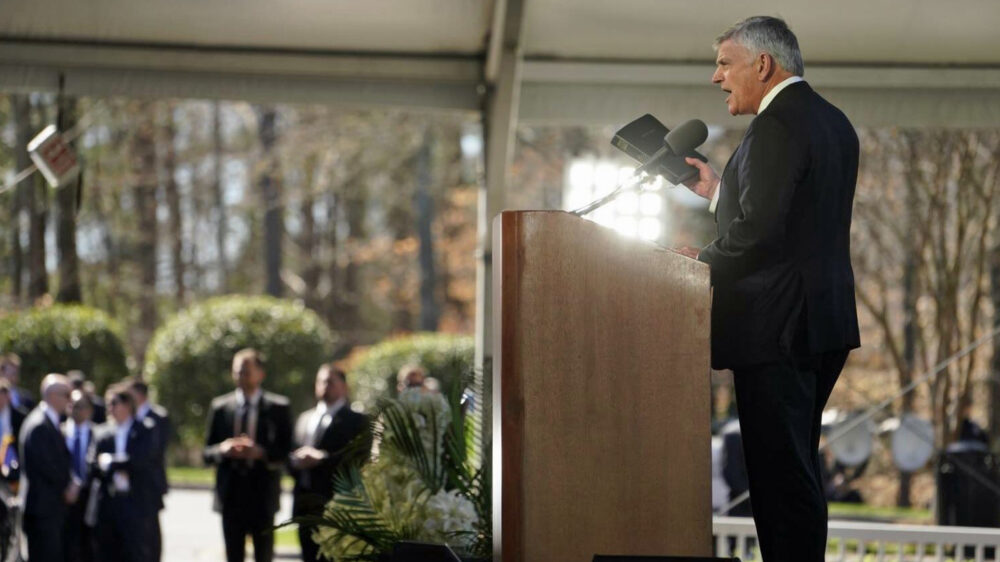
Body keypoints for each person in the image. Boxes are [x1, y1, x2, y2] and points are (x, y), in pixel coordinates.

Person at [677, 16, 860, 562]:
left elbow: (759, 232)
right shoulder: (832, 121)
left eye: (725, 63)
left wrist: (698, 266)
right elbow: (789, 221)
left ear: (763, 64)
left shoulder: (777, 125)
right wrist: (716, 192)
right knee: (797, 473)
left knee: (781, 483)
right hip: (819, 322)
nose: (717, 77)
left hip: (776, 329)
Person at [204, 348, 292, 562]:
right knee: (233, 555)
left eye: (245, 371)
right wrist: (223, 450)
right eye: (237, 371)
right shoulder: (220, 407)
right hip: (231, 495)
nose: (240, 376)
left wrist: (261, 452)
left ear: (260, 374)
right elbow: (206, 453)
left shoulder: (278, 408)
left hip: (262, 495)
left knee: (264, 554)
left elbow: (286, 451)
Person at [289, 364, 369, 562]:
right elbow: (289, 455)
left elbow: (357, 460)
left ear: (344, 387)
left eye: (330, 382)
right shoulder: (304, 418)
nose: (324, 386)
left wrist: (322, 458)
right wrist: (295, 462)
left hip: (335, 506)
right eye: (320, 381)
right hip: (305, 505)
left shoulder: (357, 421)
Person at [88, 384, 157, 562]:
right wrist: (119, 465)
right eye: (108, 404)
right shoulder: (101, 432)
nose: (110, 408)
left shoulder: (144, 429)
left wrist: (111, 462)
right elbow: (93, 464)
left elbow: (142, 461)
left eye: (114, 403)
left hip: (135, 502)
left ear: (128, 405)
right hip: (109, 503)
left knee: (135, 552)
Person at [18, 373, 77, 562]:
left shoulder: (47, 421)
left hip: (48, 510)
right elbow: (47, 467)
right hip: (43, 512)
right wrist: (69, 486)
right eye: (66, 395)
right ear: (52, 396)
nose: (70, 400)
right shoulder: (39, 425)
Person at [126, 377, 171, 561]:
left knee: (151, 527)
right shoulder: (129, 416)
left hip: (151, 481)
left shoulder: (158, 416)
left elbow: (158, 450)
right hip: (132, 481)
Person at [64, 390, 96, 562]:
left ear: (90, 410)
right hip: (66, 497)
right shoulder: (59, 431)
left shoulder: (97, 434)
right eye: (73, 406)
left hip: (89, 496)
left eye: (81, 407)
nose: (76, 410)